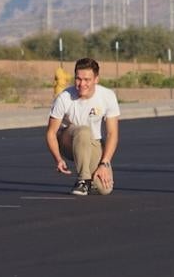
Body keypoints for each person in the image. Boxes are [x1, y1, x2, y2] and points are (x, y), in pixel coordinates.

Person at [44, 57, 120, 196]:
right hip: (68, 140)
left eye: (87, 80)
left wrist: (104, 163)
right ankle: (83, 180)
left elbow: (112, 134)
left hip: (93, 143)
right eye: (78, 79)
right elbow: (51, 132)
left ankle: (90, 181)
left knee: (104, 189)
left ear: (96, 79)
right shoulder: (64, 97)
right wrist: (58, 159)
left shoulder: (107, 96)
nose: (82, 84)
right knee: (83, 131)